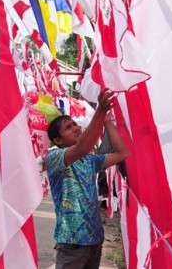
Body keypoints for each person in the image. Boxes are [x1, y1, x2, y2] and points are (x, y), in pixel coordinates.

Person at [45, 88, 129, 269]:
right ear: (58, 140)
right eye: (69, 128)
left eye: (75, 124)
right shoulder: (54, 157)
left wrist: (107, 122)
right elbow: (82, 148)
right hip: (72, 242)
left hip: (95, 239)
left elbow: (122, 153)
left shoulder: (89, 160)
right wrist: (100, 112)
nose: (76, 128)